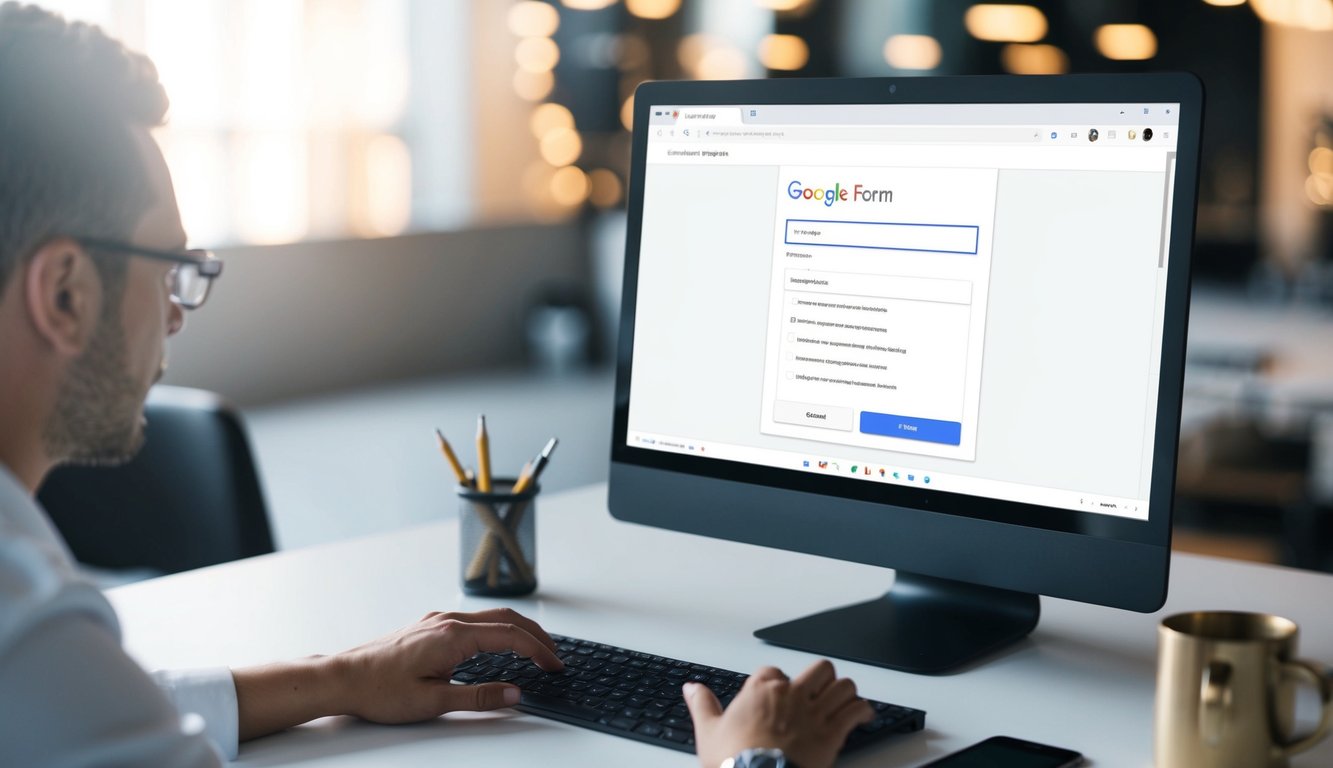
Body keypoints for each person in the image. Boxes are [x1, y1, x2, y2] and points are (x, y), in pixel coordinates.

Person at [0, 4, 871, 767]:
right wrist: (757, 764)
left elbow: (86, 714)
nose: (180, 312)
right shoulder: (25, 619)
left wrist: (337, 679)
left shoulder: (38, 649)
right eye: (173, 267)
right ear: (66, 293)